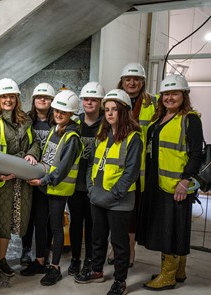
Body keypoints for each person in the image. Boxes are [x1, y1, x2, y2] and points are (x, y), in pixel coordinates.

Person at [137, 74, 203, 291]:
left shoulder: (190, 119)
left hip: (176, 184)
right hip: (157, 182)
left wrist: (185, 181)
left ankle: (168, 276)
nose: (169, 98)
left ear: (184, 95)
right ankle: (178, 270)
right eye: (166, 94)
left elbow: (196, 154)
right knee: (169, 227)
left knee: (170, 229)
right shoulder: (159, 119)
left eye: (174, 93)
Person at [74, 89, 143, 295]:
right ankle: (96, 271)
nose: (110, 113)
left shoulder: (133, 138)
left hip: (119, 200)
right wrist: (91, 189)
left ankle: (120, 281)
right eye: (107, 110)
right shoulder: (102, 135)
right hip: (97, 196)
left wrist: (113, 195)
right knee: (97, 237)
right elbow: (91, 166)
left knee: (119, 243)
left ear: (124, 112)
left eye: (115, 109)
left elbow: (131, 173)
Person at [0, 78, 41, 283]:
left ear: (17, 98)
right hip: (0, 178)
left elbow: (35, 144)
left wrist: (32, 154)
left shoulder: (25, 120)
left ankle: (1, 260)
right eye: (4, 96)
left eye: (11, 96)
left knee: (7, 222)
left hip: (18, 180)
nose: (8, 100)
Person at [26, 90, 83, 286]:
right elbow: (47, 157)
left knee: (56, 228)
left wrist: (41, 181)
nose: (58, 114)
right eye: (57, 110)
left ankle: (55, 268)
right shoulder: (55, 128)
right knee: (40, 223)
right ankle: (41, 261)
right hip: (44, 185)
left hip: (57, 189)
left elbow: (62, 169)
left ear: (71, 114)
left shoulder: (72, 137)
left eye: (63, 112)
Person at [108, 62, 156, 266]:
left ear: (142, 81)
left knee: (132, 213)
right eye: (128, 79)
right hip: (115, 164)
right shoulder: (114, 100)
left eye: (136, 79)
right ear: (122, 81)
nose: (132, 82)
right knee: (113, 209)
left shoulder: (153, 102)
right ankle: (114, 249)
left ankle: (129, 252)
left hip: (140, 166)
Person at [67, 82, 105, 276]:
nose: (89, 102)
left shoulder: (106, 124)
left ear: (100, 102)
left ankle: (90, 259)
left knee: (92, 224)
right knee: (76, 222)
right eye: (86, 99)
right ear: (82, 101)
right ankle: (75, 259)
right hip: (75, 183)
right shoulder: (75, 123)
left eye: (94, 99)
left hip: (95, 185)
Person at [20, 82, 55, 271]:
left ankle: (45, 251)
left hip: (46, 176)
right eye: (39, 97)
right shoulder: (25, 120)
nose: (43, 99)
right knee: (28, 215)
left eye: (47, 97)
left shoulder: (56, 121)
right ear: (33, 100)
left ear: (51, 101)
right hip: (27, 173)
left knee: (44, 218)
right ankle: (26, 249)